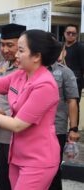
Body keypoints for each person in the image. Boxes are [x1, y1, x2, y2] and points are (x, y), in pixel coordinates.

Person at [0, 29, 62, 190]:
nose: (16, 55)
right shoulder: (19, 75)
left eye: (21, 50)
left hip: (38, 160)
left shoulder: (45, 85)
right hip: (17, 156)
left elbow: (17, 125)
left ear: (36, 56)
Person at [0, 23, 26, 190]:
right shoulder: (1, 67)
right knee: (3, 178)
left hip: (22, 137)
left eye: (10, 45)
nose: (5, 50)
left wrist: (1, 112)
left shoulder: (29, 71)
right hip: (2, 135)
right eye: (2, 45)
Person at [48, 46, 80, 190]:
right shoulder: (32, 70)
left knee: (53, 171)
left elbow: (72, 101)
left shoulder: (65, 72)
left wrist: (73, 129)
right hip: (32, 128)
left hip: (56, 129)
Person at [64, 24, 84, 125]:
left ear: (76, 35)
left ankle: (73, 130)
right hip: (62, 80)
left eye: (73, 33)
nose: (70, 35)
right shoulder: (62, 47)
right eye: (68, 33)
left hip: (76, 81)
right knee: (62, 106)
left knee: (74, 105)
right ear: (64, 34)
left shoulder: (80, 47)